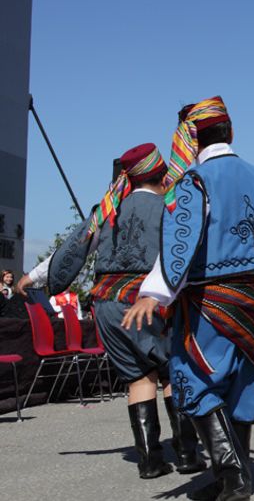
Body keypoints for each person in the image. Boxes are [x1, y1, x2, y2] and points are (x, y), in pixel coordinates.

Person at [122, 97, 254, 500]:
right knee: (241, 381)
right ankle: (233, 474)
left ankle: (235, 478)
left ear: (192, 139)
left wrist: (155, 291)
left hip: (210, 297)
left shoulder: (195, 181)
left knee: (194, 379)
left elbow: (181, 239)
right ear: (231, 132)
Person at [17, 143, 205, 479]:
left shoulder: (106, 210)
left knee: (138, 378)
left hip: (107, 305)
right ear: (163, 176)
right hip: (149, 300)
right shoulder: (171, 207)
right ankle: (188, 454)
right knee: (169, 372)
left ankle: (150, 461)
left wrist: (31, 278)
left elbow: (70, 251)